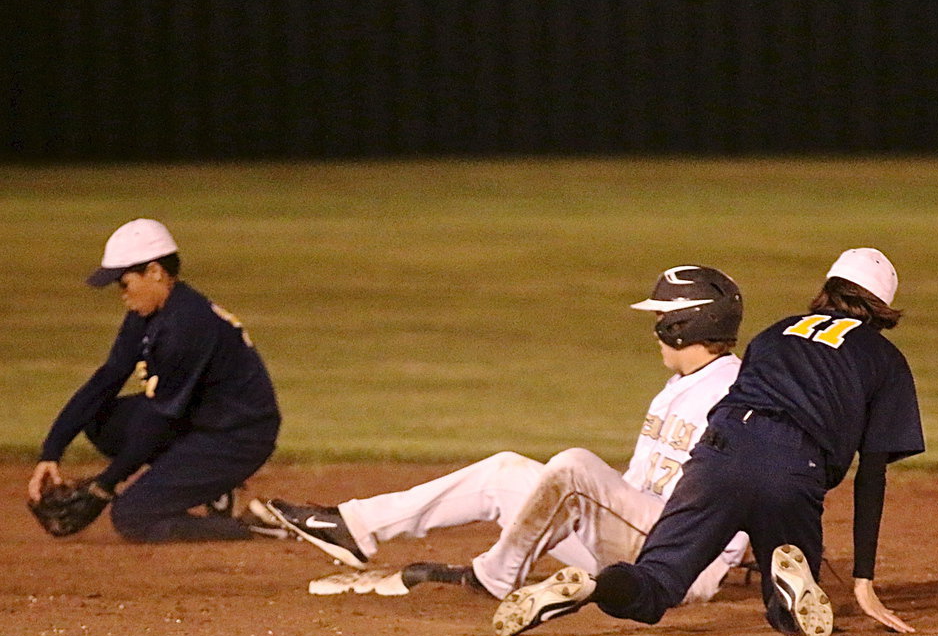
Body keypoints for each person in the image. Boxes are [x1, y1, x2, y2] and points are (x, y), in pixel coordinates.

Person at [493, 247, 924, 636]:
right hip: (795, 467)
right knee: (790, 618)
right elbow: (871, 475)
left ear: (828, 289)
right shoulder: (885, 360)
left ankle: (593, 585)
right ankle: (788, 583)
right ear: (881, 305)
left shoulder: (775, 333)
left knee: (655, 583)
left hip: (721, 449)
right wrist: (862, 581)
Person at [266, 265, 750, 604]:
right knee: (505, 473)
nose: (655, 329)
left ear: (689, 324)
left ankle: (495, 578)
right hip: (636, 545)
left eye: (661, 319)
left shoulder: (735, 393)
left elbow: (757, 481)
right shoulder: (682, 386)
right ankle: (356, 526)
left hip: (680, 566)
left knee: (575, 465)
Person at [26, 218, 282, 542]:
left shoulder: (186, 326)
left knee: (134, 517)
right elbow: (107, 379)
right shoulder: (151, 313)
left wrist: (105, 485)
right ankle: (210, 486)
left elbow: (159, 421)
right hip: (202, 420)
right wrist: (51, 451)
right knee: (102, 420)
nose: (122, 294)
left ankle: (256, 524)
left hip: (238, 436)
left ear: (155, 272)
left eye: (124, 283)